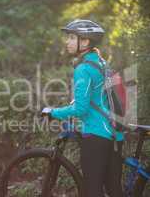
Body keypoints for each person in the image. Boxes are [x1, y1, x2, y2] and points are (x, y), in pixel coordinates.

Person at [42, 19, 124, 197]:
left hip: (96, 135)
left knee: (92, 191)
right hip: (114, 134)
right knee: (114, 190)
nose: (67, 42)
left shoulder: (83, 68)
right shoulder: (102, 63)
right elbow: (100, 97)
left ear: (85, 42)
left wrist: (53, 113)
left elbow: (81, 109)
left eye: (72, 37)